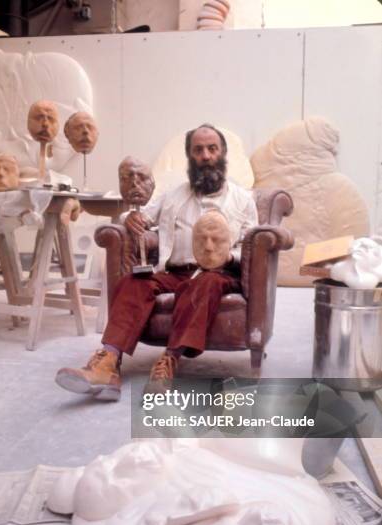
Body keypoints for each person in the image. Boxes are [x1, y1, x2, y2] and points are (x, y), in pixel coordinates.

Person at [55, 124, 258, 400]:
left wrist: (226, 256)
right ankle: (108, 364)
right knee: (132, 283)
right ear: (190, 157)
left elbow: (250, 245)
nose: (206, 155)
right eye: (198, 150)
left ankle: (169, 361)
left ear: (223, 154)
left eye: (212, 149)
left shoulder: (243, 199)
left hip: (217, 273)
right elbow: (140, 216)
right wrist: (130, 218)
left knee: (203, 285)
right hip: (174, 271)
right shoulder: (173, 194)